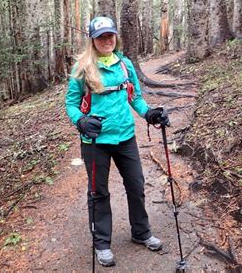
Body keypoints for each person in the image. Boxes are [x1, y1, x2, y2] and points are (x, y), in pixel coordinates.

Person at [65, 16, 170, 267]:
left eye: (110, 35)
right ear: (93, 39)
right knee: (98, 192)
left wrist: (149, 113)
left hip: (125, 136)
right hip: (95, 141)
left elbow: (136, 98)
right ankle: (102, 243)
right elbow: (71, 103)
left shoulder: (124, 65)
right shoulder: (82, 68)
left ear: (116, 36)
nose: (107, 40)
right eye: (101, 36)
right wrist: (80, 121)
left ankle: (141, 232)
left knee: (136, 185)